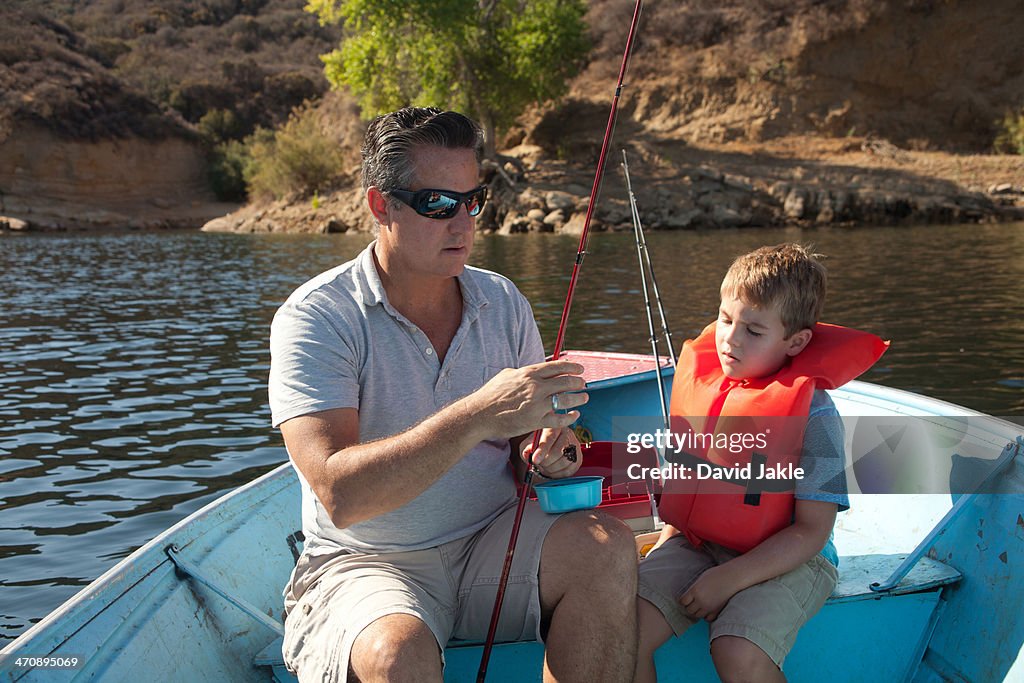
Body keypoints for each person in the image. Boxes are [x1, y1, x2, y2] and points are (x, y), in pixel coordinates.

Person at [269, 106, 638, 683]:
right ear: (380, 205)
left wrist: (547, 453)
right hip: (367, 563)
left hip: (494, 542)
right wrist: (478, 414)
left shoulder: (504, 301)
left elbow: (526, 451)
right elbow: (341, 494)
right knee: (397, 654)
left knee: (607, 547)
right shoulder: (317, 317)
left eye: (474, 200)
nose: (462, 223)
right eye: (437, 204)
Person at [634, 244, 887, 682]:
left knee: (737, 649)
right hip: (698, 543)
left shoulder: (816, 415)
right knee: (620, 626)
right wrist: (667, 540)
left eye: (753, 330)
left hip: (794, 559)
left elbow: (812, 531)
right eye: (726, 319)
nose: (730, 339)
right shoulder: (705, 388)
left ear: (796, 342)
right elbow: (689, 486)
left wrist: (729, 578)